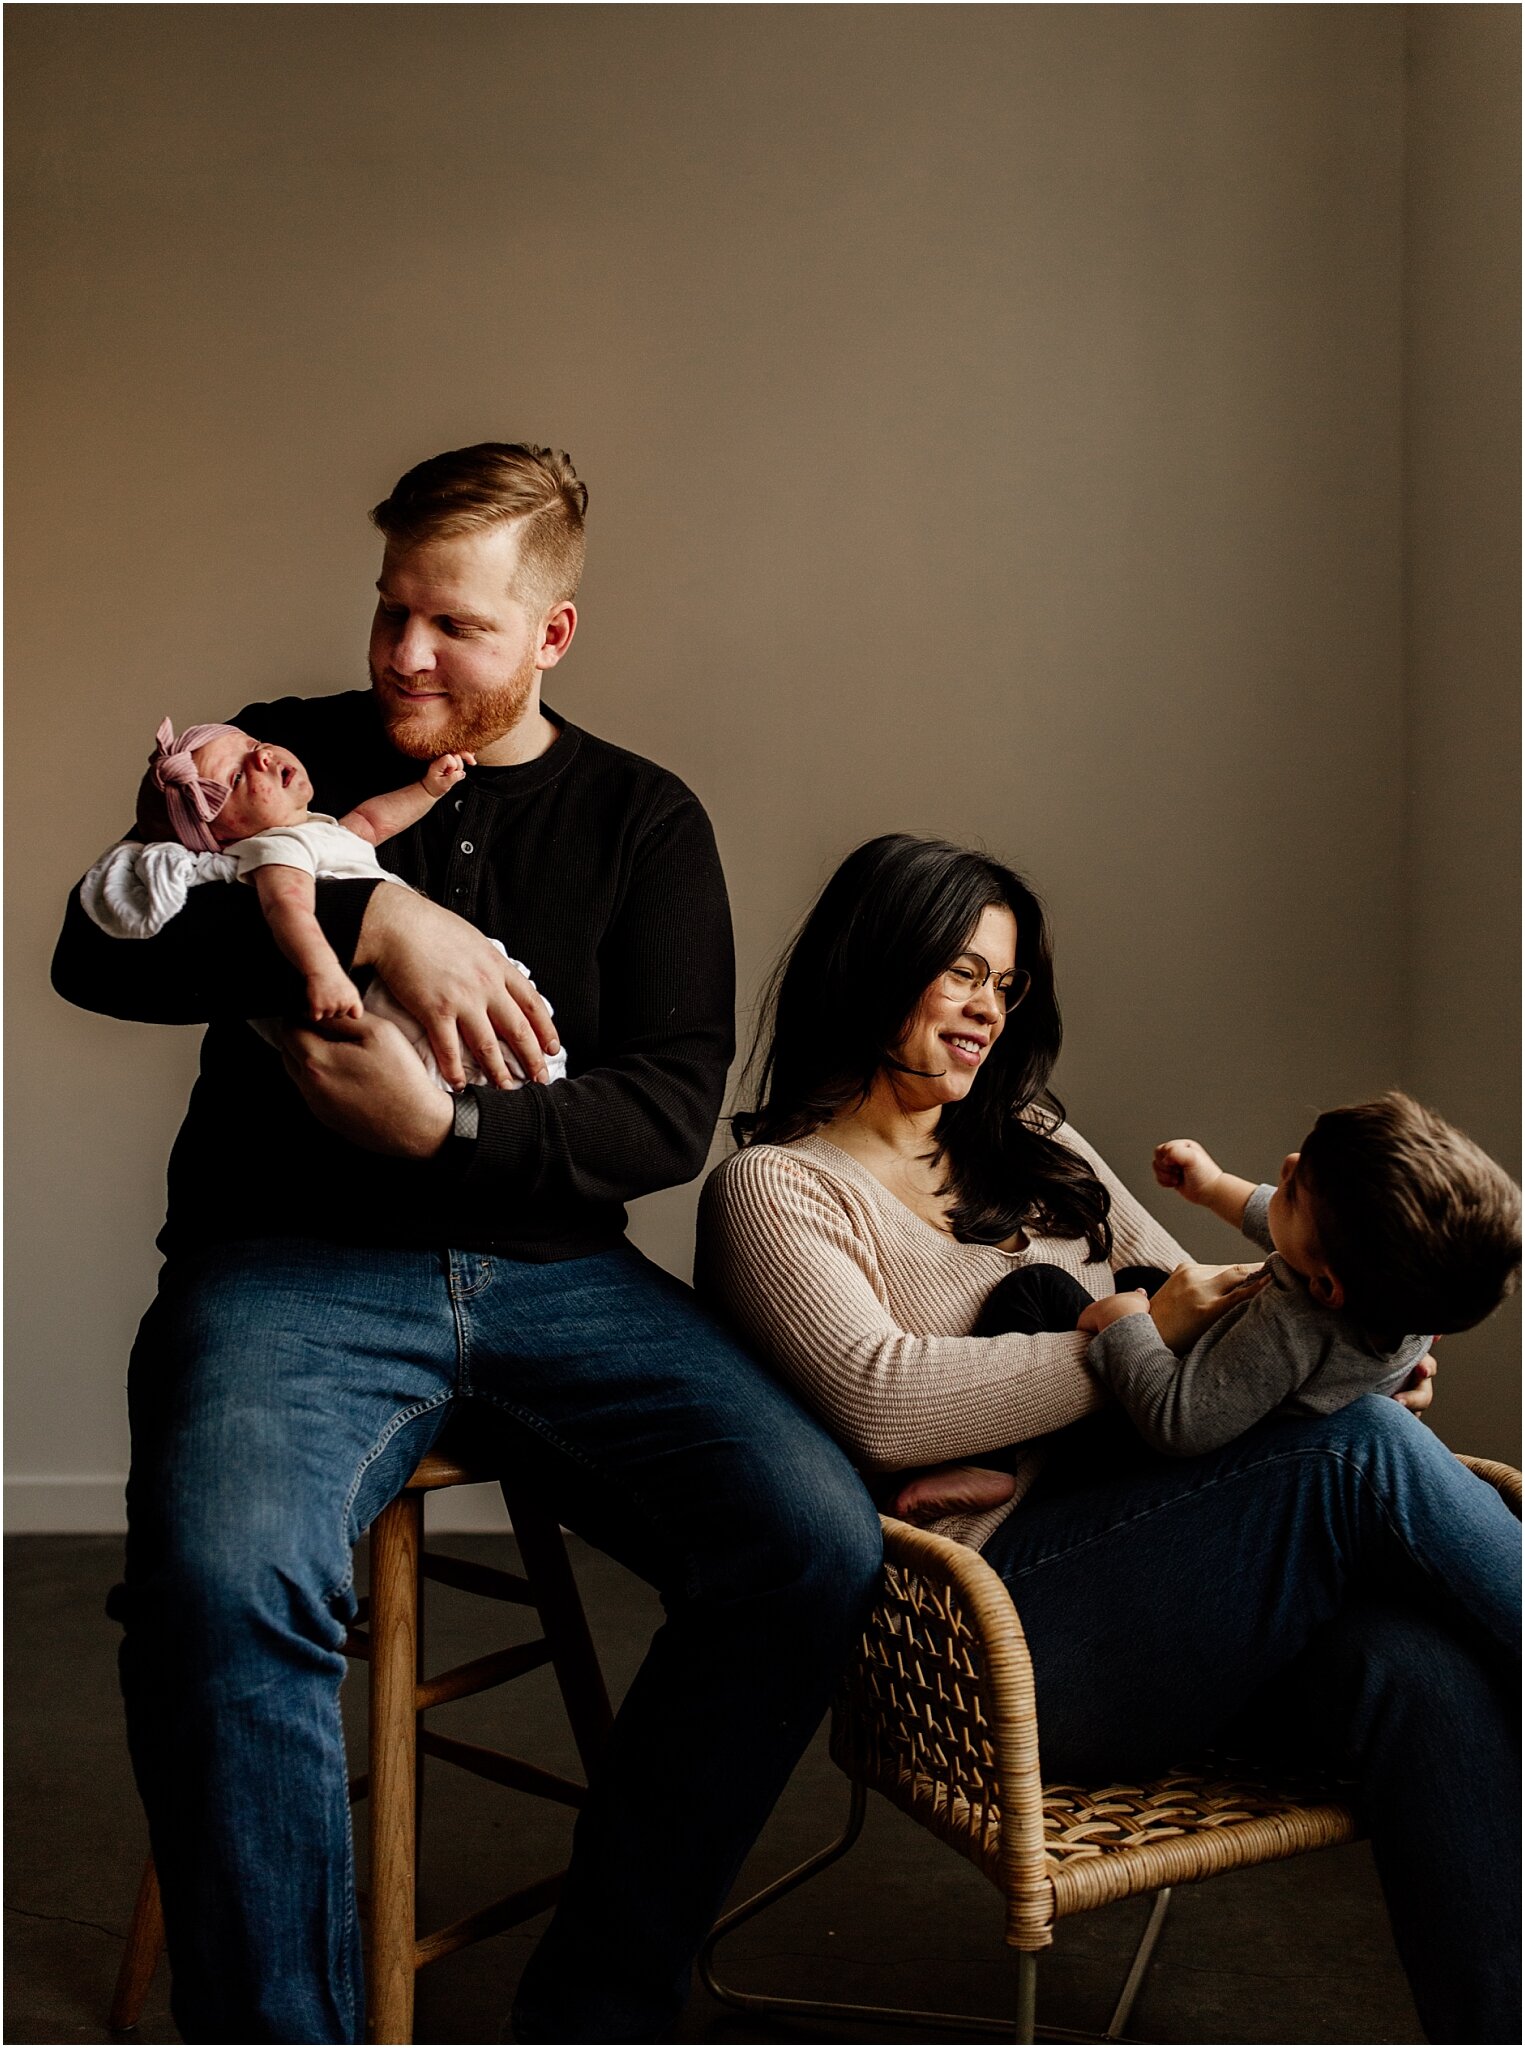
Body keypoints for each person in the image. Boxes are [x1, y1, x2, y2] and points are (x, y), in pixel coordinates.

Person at [51, 442, 883, 2045]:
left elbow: (663, 1111)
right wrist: (372, 912)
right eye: (388, 612)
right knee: (223, 1592)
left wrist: (449, 1136)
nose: (404, 656)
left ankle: (595, 1996)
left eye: (455, 626)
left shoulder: (646, 820)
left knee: (809, 1545)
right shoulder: (278, 760)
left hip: (563, 1281)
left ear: (552, 633)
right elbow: (107, 957)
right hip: (286, 1272)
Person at [697, 832, 1521, 2044]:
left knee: (1416, 1664)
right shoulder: (779, 1189)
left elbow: (1212, 1300)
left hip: (1175, 1573)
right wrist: (1112, 1351)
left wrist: (1342, 1369)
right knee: (1366, 1461)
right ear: (873, 962)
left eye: (1006, 982)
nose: (987, 1007)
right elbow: (880, 1395)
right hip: (1005, 1624)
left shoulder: (1026, 1131)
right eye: (960, 972)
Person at [82, 720, 568, 1090]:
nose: (264, 758)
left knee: (501, 1039)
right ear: (220, 836)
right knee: (458, 1057)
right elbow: (289, 912)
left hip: (435, 978)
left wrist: (427, 790)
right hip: (385, 996)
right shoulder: (273, 851)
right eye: (235, 780)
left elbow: (370, 825)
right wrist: (322, 972)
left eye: (252, 745)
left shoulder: (308, 831)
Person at [1090, 1101, 1522, 1455]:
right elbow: (1292, 1232)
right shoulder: (1416, 1302)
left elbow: (1177, 1424)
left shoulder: (1292, 1327)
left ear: (1326, 1289)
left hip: (1181, 1454)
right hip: (1238, 1406)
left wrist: (1123, 1324)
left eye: (1294, 1190)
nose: (1289, 1163)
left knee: (1061, 1289)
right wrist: (1214, 1185)